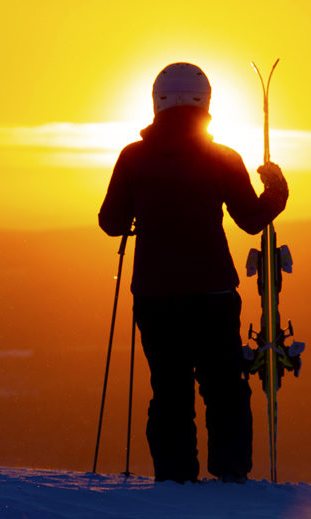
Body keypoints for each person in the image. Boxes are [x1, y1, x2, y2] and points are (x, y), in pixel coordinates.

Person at [98, 62, 289, 483]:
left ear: (156, 102)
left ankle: (175, 478)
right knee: (224, 388)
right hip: (213, 293)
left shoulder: (133, 158)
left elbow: (111, 222)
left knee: (169, 390)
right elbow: (253, 218)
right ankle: (230, 475)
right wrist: (276, 191)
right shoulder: (222, 159)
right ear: (205, 104)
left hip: (154, 294)